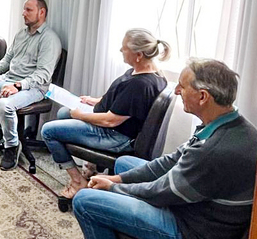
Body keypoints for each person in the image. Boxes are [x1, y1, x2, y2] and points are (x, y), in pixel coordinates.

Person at [74, 59, 257, 239]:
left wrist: (113, 189)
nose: (176, 91)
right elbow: (171, 162)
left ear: (203, 96)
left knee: (86, 202)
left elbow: (162, 193)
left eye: (182, 87)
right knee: (125, 164)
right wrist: (117, 179)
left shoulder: (214, 150)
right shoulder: (227, 125)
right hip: (198, 214)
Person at [42, 29, 170, 205]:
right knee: (64, 112)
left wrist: (81, 114)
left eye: (124, 48)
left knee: (48, 131)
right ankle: (91, 167)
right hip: (112, 126)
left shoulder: (140, 85)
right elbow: (119, 98)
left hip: (115, 136)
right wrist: (94, 101)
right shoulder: (143, 71)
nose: (120, 50)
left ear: (138, 54)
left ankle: (78, 181)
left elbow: (110, 121)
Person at [0, 0, 62, 171]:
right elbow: (7, 59)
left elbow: (43, 74)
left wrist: (17, 86)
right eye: (24, 9)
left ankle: (11, 146)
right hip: (9, 77)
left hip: (34, 87)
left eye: (28, 10)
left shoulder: (49, 39)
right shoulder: (21, 34)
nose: (23, 13)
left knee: (3, 104)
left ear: (42, 12)